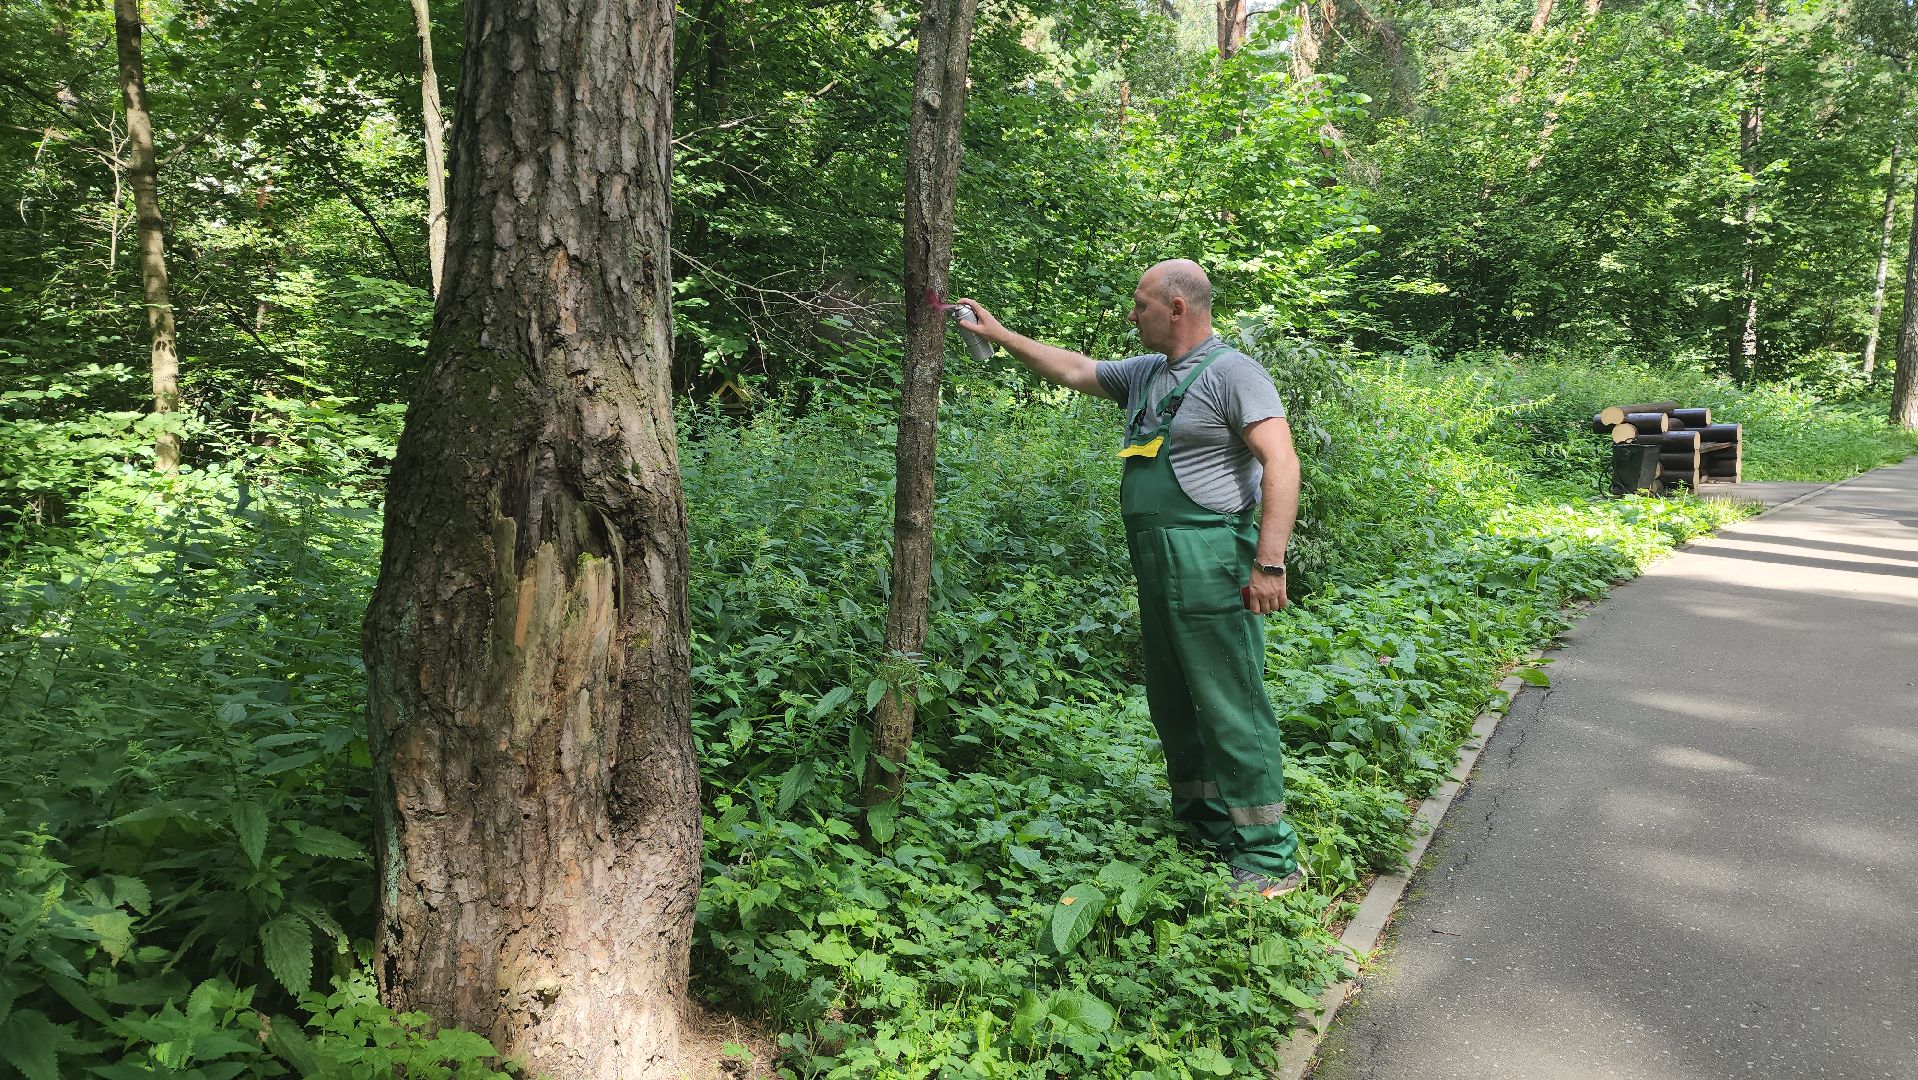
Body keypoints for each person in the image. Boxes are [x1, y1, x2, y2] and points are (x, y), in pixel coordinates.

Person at [952, 260, 1305, 898]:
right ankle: (1205, 822)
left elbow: (1281, 461)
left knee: (1231, 703)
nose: (1131, 314)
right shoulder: (1147, 374)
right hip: (1155, 558)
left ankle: (1271, 858)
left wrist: (1269, 562)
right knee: (1174, 700)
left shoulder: (1234, 373)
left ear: (1176, 307)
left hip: (1211, 557)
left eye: (1140, 304)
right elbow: (1074, 368)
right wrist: (1000, 335)